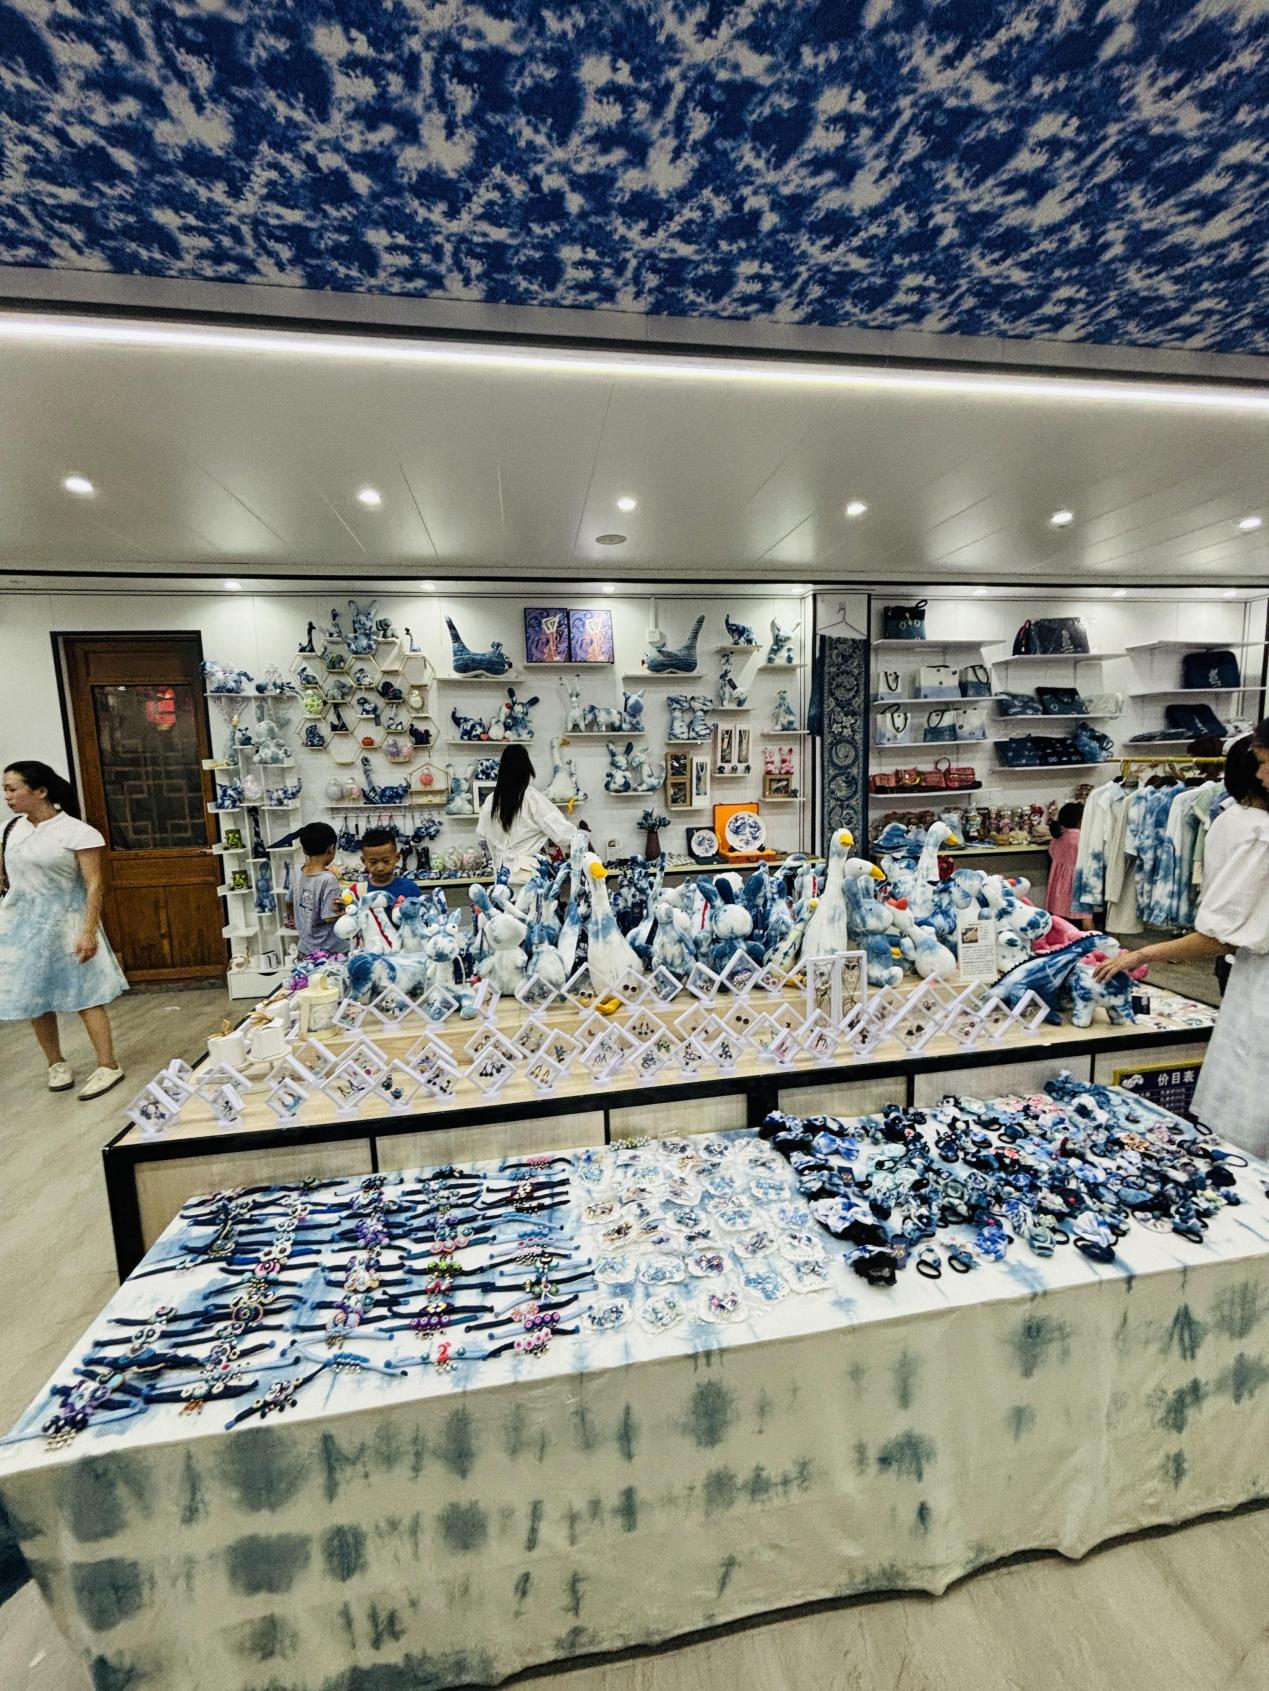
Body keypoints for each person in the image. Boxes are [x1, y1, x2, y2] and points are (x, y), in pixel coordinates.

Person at [1094, 725, 1269, 1155]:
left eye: (1266, 762)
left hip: (1260, 991)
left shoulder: (1256, 833)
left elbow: (1219, 936)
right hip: (1252, 980)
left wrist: (1141, 954)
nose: (1260, 774)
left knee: (1249, 1110)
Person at [0, 760, 128, 1099]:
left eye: (12, 789)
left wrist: (88, 931)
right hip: (21, 927)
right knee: (36, 997)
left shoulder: (77, 832)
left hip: (68, 923)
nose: (7, 796)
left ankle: (108, 1064)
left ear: (40, 791)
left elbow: (94, 884)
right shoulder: (8, 830)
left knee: (86, 996)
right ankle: (55, 1062)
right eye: (5, 790)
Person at [476, 745, 578, 886]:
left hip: (502, 875)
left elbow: (483, 837)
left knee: (504, 901)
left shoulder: (491, 801)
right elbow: (563, 834)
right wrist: (580, 837)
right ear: (526, 769)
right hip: (529, 875)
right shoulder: (531, 798)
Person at [292, 822, 348, 958]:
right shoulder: (329, 879)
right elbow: (329, 917)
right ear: (331, 848)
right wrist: (347, 911)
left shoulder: (298, 873)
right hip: (329, 952)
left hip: (305, 949)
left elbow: (288, 902)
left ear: (304, 850)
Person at [1045, 801, 1092, 928]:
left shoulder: (1057, 839)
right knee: (1085, 921)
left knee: (1061, 924)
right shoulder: (1082, 839)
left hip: (1058, 888)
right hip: (1078, 886)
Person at [356, 827, 421, 901]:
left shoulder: (410, 888)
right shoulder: (357, 891)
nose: (380, 868)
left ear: (397, 857)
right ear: (363, 861)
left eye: (386, 861)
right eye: (373, 862)